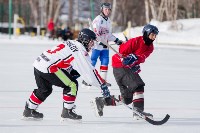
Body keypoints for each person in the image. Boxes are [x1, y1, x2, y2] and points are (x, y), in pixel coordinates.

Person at [22, 28, 111, 121]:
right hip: (49, 68)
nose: (92, 45)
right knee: (72, 84)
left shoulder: (72, 42)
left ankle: (29, 110)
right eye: (91, 41)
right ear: (85, 40)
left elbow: (63, 59)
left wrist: (70, 72)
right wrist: (102, 85)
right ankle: (67, 112)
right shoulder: (80, 50)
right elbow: (90, 73)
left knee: (44, 89)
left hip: (39, 63)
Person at [91, 24, 159, 120]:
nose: (154, 37)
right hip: (120, 66)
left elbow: (143, 57)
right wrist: (126, 57)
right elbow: (121, 50)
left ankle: (101, 101)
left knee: (127, 99)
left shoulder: (150, 47)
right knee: (138, 85)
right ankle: (138, 111)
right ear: (146, 33)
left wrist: (135, 60)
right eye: (152, 35)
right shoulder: (135, 41)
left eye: (155, 35)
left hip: (126, 69)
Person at [82, 2, 123, 88]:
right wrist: (98, 40)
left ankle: (102, 80)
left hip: (105, 46)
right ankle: (87, 79)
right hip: (96, 46)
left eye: (109, 9)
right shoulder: (98, 19)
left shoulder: (108, 21)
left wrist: (116, 40)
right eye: (106, 9)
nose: (107, 11)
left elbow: (109, 35)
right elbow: (94, 32)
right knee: (92, 61)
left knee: (105, 62)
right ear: (102, 10)